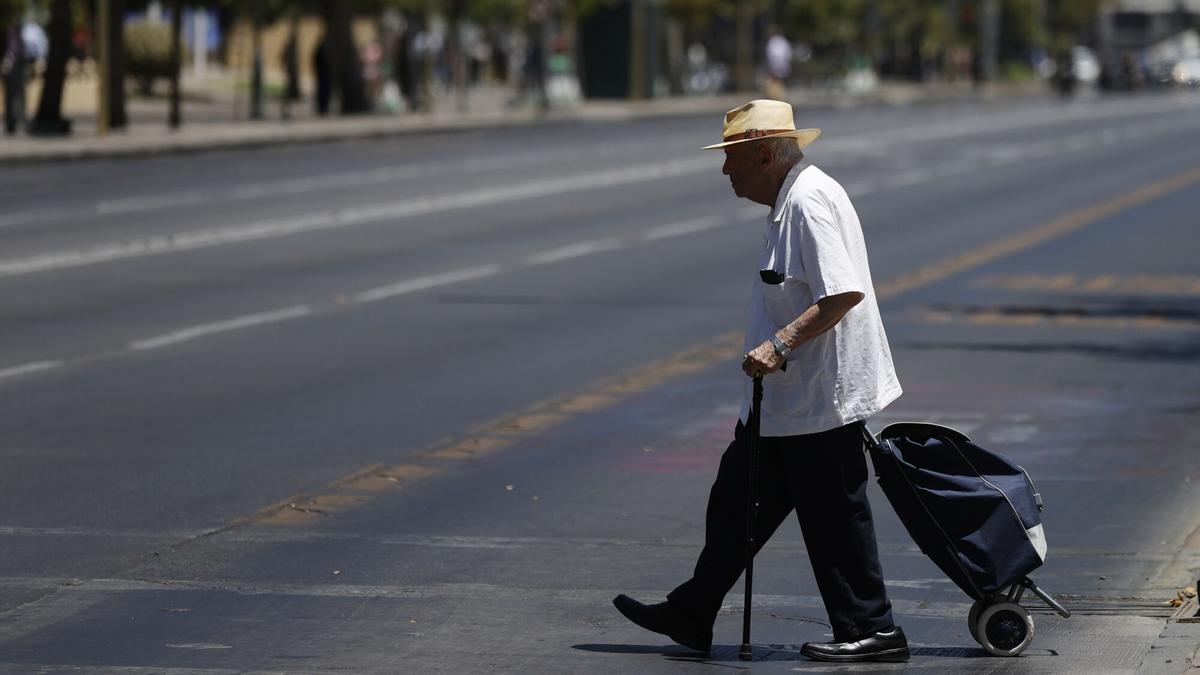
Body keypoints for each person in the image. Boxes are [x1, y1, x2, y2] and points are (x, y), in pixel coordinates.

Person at [613, 99, 908, 663]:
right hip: (785, 401)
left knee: (834, 517)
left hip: (822, 397)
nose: (726, 170)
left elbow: (842, 292)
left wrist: (780, 343)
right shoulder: (789, 199)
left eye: (734, 158)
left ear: (767, 155)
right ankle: (693, 611)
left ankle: (874, 629)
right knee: (736, 499)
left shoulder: (809, 202)